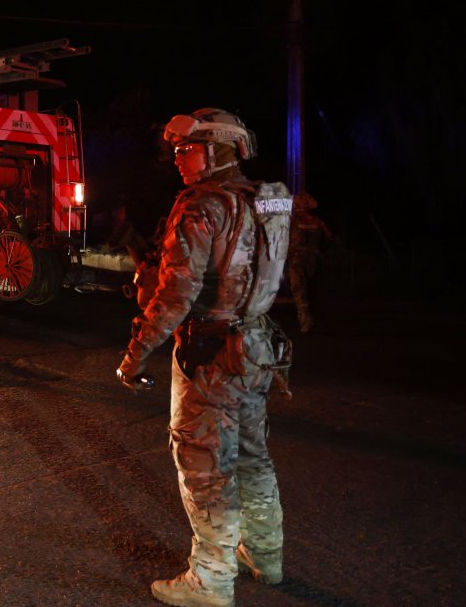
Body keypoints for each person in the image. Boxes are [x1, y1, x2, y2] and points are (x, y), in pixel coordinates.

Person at [116, 109, 293, 607]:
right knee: (254, 456)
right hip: (257, 347)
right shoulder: (267, 197)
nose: (177, 159)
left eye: (186, 149)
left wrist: (135, 356)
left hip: (210, 353)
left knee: (204, 463)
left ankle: (211, 580)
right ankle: (265, 553)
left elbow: (176, 296)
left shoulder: (201, 204)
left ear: (217, 150)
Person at [287, 192, 333, 333]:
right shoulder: (316, 221)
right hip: (309, 260)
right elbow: (329, 238)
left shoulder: (292, 220)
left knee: (300, 290)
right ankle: (307, 319)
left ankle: (306, 320)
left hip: (300, 260)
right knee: (307, 290)